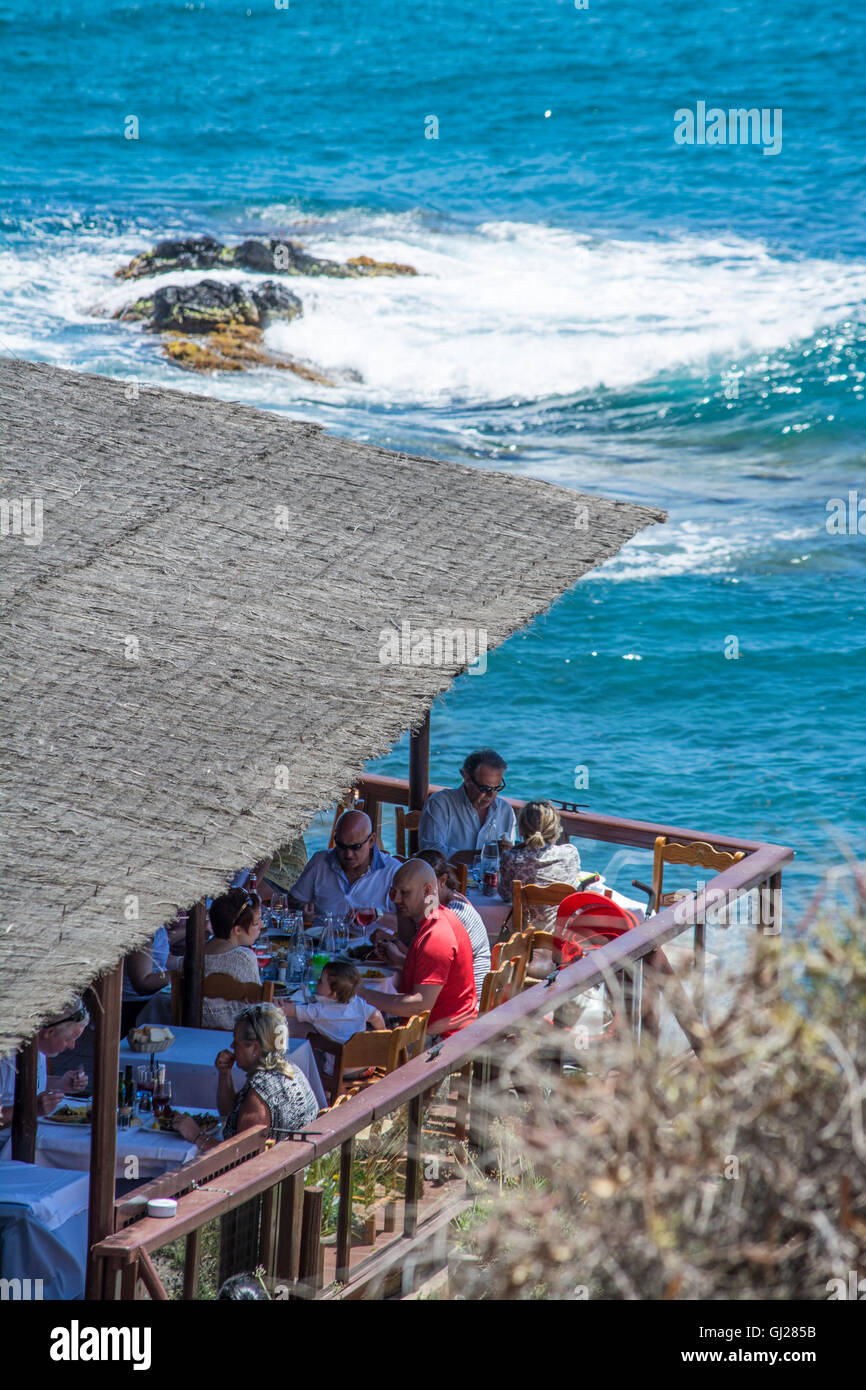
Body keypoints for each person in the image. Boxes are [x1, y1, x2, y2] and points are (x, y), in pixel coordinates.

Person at [172, 1003, 319, 1153]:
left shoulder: (260, 1094)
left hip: (271, 1171)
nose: (232, 1046)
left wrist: (196, 1136)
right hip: (293, 1163)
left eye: (236, 1042)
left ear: (255, 1048)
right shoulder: (291, 1069)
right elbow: (229, 1114)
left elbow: (239, 1156)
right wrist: (225, 1074)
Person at [358, 859, 476, 1039]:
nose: (396, 900)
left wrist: (361, 993)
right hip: (448, 1029)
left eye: (404, 893)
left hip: (438, 1039)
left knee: (344, 1042)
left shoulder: (436, 936)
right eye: (393, 892)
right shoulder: (439, 917)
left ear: (427, 890)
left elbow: (420, 1005)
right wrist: (400, 960)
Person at [286, 810, 401, 920]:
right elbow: (293, 900)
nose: (348, 854)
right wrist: (302, 909)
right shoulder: (320, 861)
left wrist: (378, 916)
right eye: (341, 846)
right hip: (321, 938)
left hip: (371, 940)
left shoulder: (393, 872)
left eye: (355, 847)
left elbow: (411, 923)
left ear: (371, 841)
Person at [418, 748, 517, 865]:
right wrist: (484, 854)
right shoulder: (440, 803)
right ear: (466, 778)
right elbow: (431, 854)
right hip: (450, 881)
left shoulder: (505, 810)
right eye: (485, 788)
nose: (491, 795)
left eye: (497, 788)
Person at [415, 849, 491, 1002]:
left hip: (469, 1003)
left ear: (442, 881)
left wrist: (398, 957)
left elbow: (430, 970)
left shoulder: (453, 914)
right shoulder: (451, 902)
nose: (421, 892)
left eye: (427, 885)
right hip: (463, 995)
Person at [0, 998, 89, 1126]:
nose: (72, 1046)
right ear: (49, 1032)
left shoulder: (37, 1048)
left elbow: (21, 1085)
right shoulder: (6, 1060)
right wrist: (30, 1108)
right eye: (68, 1039)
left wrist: (60, 1083)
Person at [498, 801, 584, 926]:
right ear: (555, 828)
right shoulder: (570, 854)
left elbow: (505, 895)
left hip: (524, 939)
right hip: (561, 938)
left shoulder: (512, 858)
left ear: (521, 829)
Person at [201, 887, 264, 1031]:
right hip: (237, 1038)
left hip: (195, 1035)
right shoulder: (243, 957)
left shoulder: (197, 953)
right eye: (256, 923)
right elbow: (257, 1010)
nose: (262, 925)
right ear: (237, 929)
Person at [280, 961, 386, 1043]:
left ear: (333, 993)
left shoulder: (318, 1010)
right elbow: (376, 1015)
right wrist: (383, 1031)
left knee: (301, 1031)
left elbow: (290, 1011)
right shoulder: (359, 1004)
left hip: (335, 1066)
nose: (317, 981)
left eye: (321, 981)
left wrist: (274, 1004)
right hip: (362, 1062)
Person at [121, 925, 184, 1035]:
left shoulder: (157, 928)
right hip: (134, 1007)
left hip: (148, 1000)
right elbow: (142, 983)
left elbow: (159, 960)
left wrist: (183, 962)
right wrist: (179, 973)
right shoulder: (144, 931)